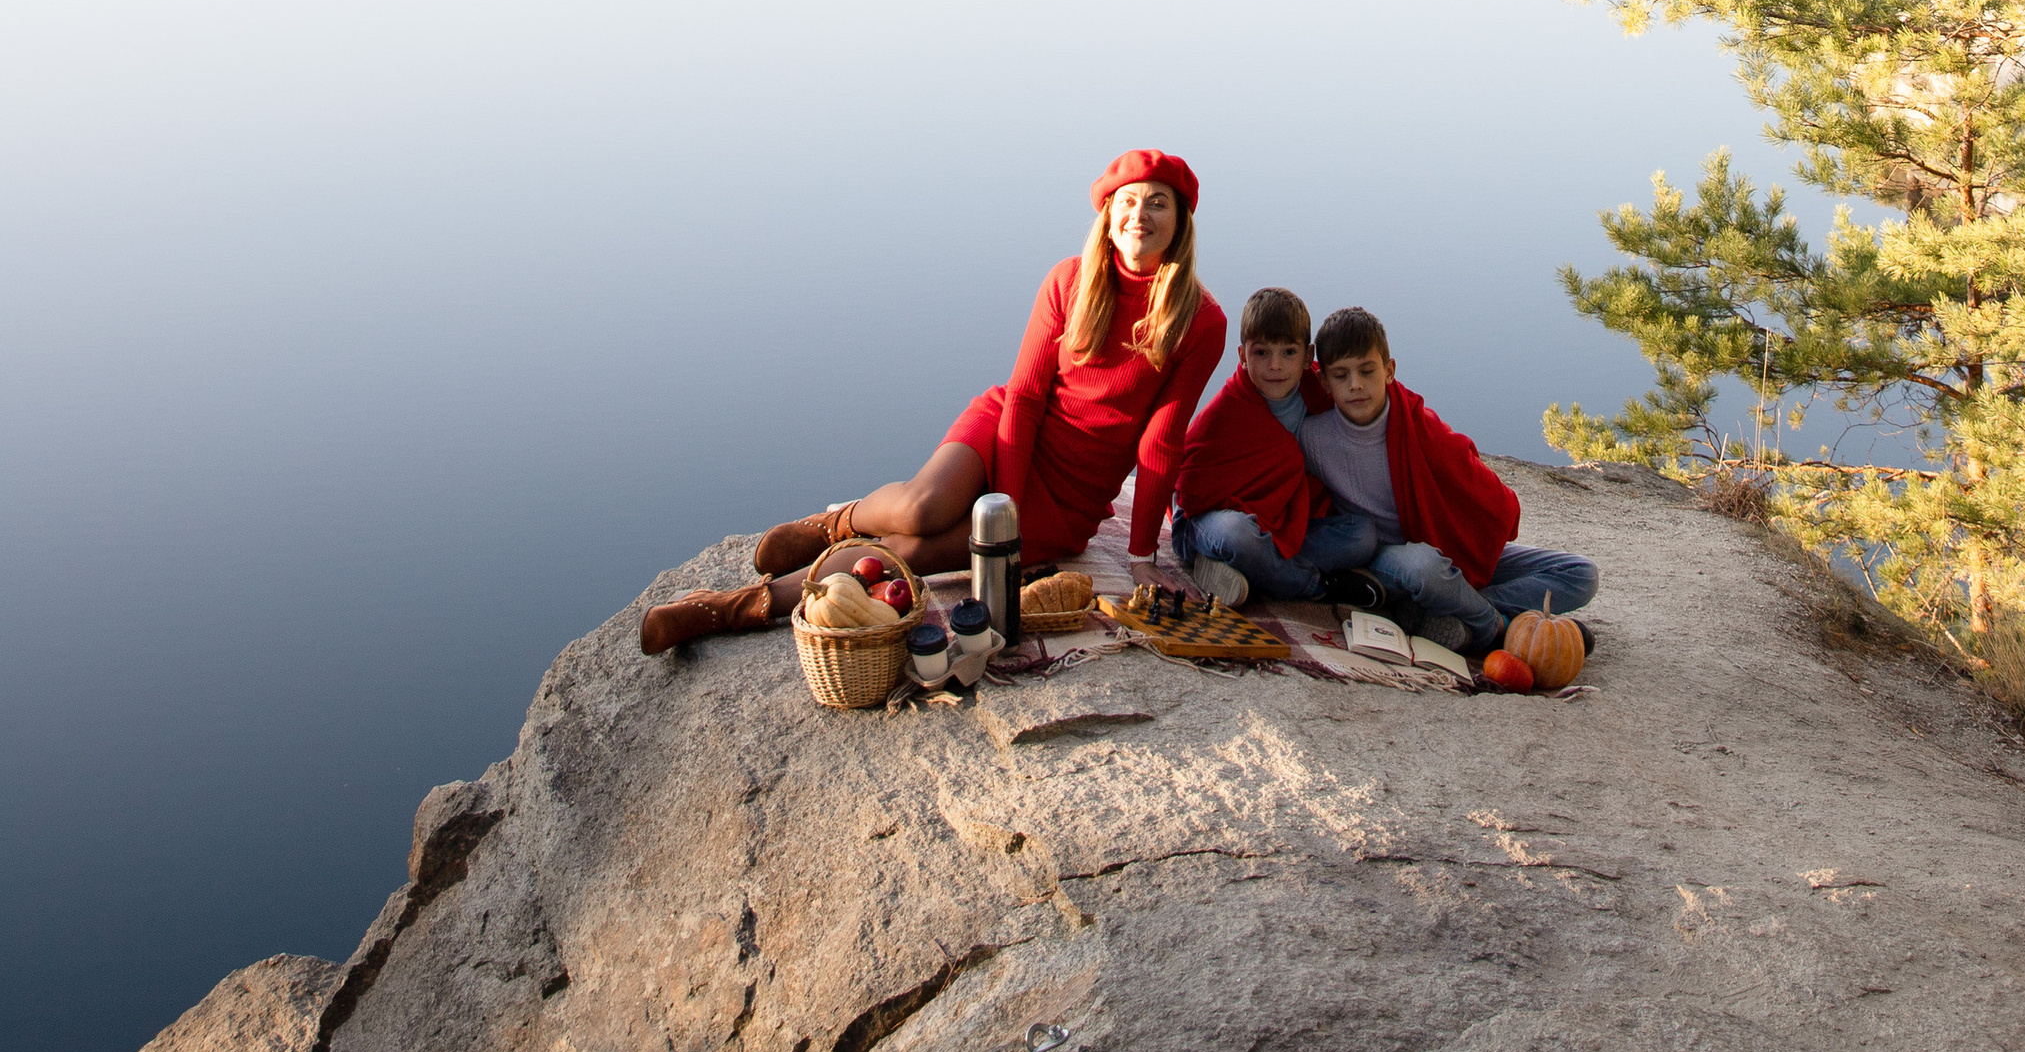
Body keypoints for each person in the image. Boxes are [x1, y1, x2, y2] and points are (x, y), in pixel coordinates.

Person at [639, 151, 1224, 652]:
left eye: (1157, 203)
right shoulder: (1069, 280)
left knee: (910, 551)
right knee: (922, 508)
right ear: (1107, 214)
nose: (1139, 215)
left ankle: (732, 608)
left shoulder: (1201, 320)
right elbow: (1022, 397)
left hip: (1069, 500)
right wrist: (1005, 510)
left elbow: (1161, 441)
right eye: (1128, 201)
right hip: (1009, 431)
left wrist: (1144, 553)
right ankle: (836, 524)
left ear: (1180, 221)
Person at [1296, 300, 1596, 661]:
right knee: (1423, 567)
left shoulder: (1418, 425)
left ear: (1389, 370)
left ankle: (1453, 608)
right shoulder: (1313, 437)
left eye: (1367, 371)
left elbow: (1475, 483)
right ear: (1324, 381)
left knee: (1580, 573)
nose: (1356, 386)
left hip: (1445, 545)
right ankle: (1494, 626)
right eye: (1341, 375)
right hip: (1386, 560)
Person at [1169, 285, 1387, 608]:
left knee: (1363, 535)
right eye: (1261, 353)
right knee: (1236, 536)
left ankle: (1250, 571)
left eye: (1288, 352)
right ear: (1242, 356)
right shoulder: (1226, 412)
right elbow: (1187, 489)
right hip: (1209, 524)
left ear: (1308, 357)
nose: (1275, 366)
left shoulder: (1319, 394)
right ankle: (1317, 585)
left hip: (1282, 524)